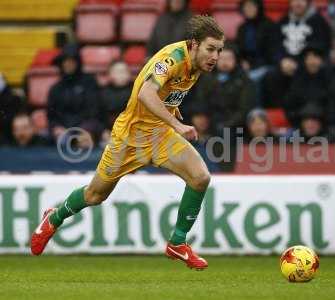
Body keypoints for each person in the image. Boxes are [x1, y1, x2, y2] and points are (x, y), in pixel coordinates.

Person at [30, 16, 225, 271]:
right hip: (129, 137)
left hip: (159, 134)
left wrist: (171, 116)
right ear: (193, 44)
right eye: (211, 49)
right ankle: (53, 218)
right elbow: (146, 94)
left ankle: (177, 243)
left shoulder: (197, 65)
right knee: (94, 194)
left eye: (219, 51)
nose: (215, 56)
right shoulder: (172, 59)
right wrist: (178, 125)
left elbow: (166, 95)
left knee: (200, 178)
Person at [187, 44, 256, 136]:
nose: (225, 62)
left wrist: (226, 124)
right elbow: (200, 101)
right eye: (221, 58)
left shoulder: (244, 81)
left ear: (236, 61)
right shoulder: (206, 78)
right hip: (210, 123)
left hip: (235, 127)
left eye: (229, 58)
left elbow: (244, 110)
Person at [48, 44, 101, 146]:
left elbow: (95, 111)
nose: (68, 64)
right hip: (63, 132)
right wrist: (56, 128)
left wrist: (87, 129)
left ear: (78, 62)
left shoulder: (89, 82)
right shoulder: (56, 88)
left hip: (86, 130)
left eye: (71, 61)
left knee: (85, 140)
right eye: (65, 61)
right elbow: (51, 116)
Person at [276, 0, 331, 75]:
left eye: (301, 0)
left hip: (308, 66)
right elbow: (275, 45)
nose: (298, 3)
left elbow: (322, 47)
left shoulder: (319, 21)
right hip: (285, 65)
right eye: (294, 0)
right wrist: (282, 60)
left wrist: (300, 63)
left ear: (308, 2)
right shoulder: (283, 21)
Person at [283, 45, 330, 127]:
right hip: (300, 124)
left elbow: (332, 106)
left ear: (321, 60)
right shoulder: (296, 80)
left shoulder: (329, 79)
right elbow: (289, 107)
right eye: (308, 58)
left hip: (324, 124)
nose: (312, 62)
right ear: (304, 61)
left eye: (315, 57)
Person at [236, 0, 276, 81]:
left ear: (258, 8)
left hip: (265, 65)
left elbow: (272, 53)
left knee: (251, 78)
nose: (249, 9)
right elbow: (239, 49)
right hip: (246, 66)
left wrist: (254, 65)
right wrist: (242, 61)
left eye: (252, 6)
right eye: (246, 7)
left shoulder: (269, 25)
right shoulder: (242, 28)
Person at [99, 61, 133, 146]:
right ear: (110, 75)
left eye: (124, 71)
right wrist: (103, 131)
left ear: (129, 74)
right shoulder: (102, 92)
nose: (121, 74)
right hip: (109, 133)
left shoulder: (137, 91)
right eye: (117, 71)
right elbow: (98, 115)